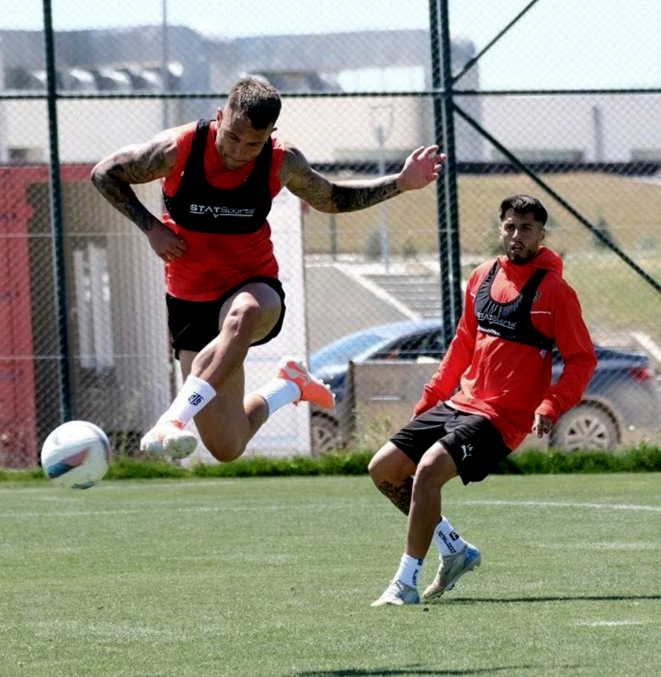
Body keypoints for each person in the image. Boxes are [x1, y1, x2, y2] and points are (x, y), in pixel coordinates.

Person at [91, 76, 446, 462]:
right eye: (232, 137)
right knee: (227, 446)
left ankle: (172, 419)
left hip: (253, 286)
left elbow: (331, 198)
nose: (238, 151)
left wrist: (401, 182)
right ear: (219, 116)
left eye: (253, 144)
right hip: (190, 298)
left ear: (270, 135)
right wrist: (151, 227)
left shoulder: (281, 161)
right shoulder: (177, 149)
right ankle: (288, 387)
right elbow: (105, 173)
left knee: (243, 314)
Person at [368, 194, 598, 606]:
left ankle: (405, 583)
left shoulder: (555, 292)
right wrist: (432, 397)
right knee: (384, 469)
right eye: (510, 226)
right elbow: (463, 343)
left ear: (541, 235)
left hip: (503, 419)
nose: (516, 235)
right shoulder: (482, 275)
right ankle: (454, 548)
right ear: (500, 229)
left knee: (428, 470)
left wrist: (551, 404)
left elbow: (582, 360)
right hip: (461, 403)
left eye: (526, 228)